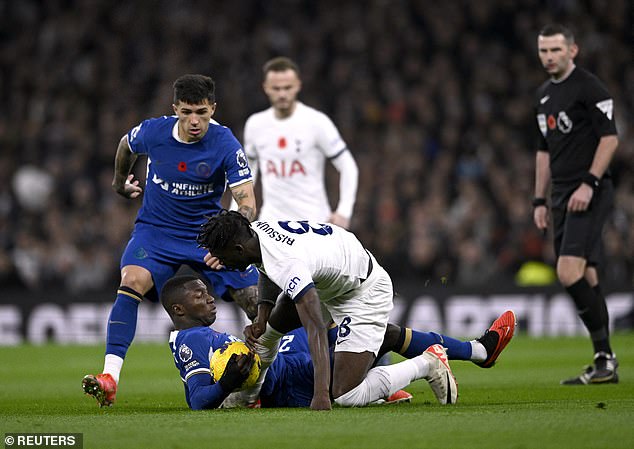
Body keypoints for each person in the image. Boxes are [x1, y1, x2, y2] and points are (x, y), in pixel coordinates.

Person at [197, 211, 516, 410]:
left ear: (238, 248)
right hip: (338, 271)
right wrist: (264, 312)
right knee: (271, 329)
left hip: (363, 290)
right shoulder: (258, 231)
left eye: (222, 257)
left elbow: (315, 328)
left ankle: (428, 364)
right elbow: (264, 266)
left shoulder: (287, 263)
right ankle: (479, 351)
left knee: (344, 394)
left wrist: (321, 393)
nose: (221, 264)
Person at [82, 75, 259, 407]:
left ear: (213, 109)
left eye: (202, 113)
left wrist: (227, 240)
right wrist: (120, 182)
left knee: (256, 300)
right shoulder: (153, 131)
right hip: (157, 231)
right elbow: (125, 144)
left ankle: (262, 383)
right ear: (175, 108)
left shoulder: (225, 143)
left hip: (207, 236)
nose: (195, 121)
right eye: (188, 112)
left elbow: (247, 202)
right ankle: (109, 378)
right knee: (131, 280)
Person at [162, 275, 516, 409]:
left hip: (289, 352)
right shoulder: (188, 341)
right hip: (291, 377)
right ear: (179, 309)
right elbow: (198, 401)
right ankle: (452, 356)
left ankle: (476, 351)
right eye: (199, 296)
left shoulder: (198, 334)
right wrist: (227, 383)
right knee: (367, 357)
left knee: (380, 333)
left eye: (208, 292)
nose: (209, 299)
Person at [532, 24, 619, 385]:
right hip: (560, 195)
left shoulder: (589, 87)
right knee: (587, 274)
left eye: (555, 50)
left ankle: (606, 357)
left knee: (568, 272)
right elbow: (543, 151)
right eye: (544, 51)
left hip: (590, 192)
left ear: (573, 50)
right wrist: (539, 198)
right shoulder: (542, 97)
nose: (549, 57)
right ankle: (604, 361)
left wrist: (590, 182)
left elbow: (610, 139)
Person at [243, 57, 358, 229]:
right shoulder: (255, 124)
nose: (282, 94)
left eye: (287, 88)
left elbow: (348, 165)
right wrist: (238, 214)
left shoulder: (317, 122)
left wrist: (344, 211)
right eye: (276, 88)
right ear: (266, 88)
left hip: (314, 224)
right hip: (272, 225)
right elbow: (246, 173)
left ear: (298, 85)